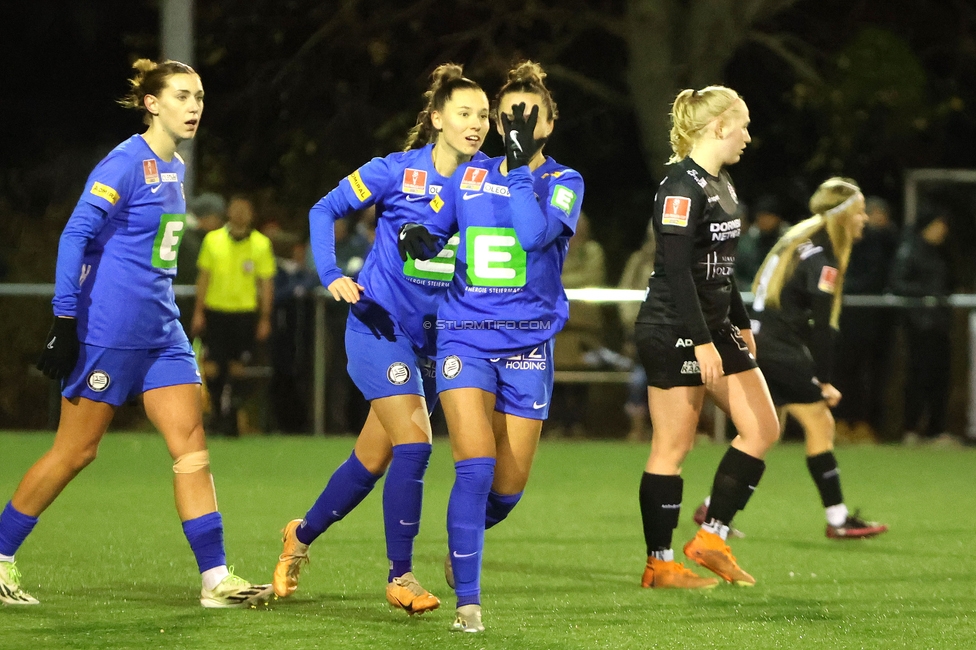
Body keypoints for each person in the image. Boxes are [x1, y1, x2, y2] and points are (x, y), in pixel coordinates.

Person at [0, 59, 271, 607]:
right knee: (76, 451)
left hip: (162, 331)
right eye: (181, 96)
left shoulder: (174, 170)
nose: (194, 106)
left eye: (199, 96)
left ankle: (215, 579)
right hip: (111, 330)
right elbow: (76, 233)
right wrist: (64, 318)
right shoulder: (125, 162)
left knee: (191, 446)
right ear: (152, 103)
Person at [273, 64, 490, 616]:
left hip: (441, 343)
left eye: (484, 115)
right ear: (437, 118)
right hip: (379, 328)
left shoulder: (489, 179)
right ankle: (401, 577)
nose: (476, 124)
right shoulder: (394, 171)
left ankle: (299, 535)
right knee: (415, 446)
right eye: (464, 113)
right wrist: (330, 273)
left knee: (370, 462)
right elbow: (323, 209)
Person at [399, 60, 584, 633]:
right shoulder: (468, 175)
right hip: (465, 335)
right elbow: (433, 230)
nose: (516, 126)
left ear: (548, 125)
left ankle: (463, 546)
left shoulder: (563, 182)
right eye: (509, 118)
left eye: (530, 118)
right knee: (475, 466)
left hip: (528, 345)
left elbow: (532, 236)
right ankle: (469, 605)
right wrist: (422, 237)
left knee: (508, 487)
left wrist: (522, 168)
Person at [633, 85, 779, 590]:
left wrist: (738, 322)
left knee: (762, 428)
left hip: (714, 329)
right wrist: (701, 339)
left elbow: (722, 269)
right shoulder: (680, 185)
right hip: (675, 327)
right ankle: (659, 562)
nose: (747, 135)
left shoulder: (723, 184)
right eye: (742, 124)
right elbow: (675, 269)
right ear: (718, 126)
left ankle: (711, 538)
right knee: (673, 446)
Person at [750, 177, 888, 538]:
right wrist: (824, 379)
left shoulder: (797, 240)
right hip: (779, 348)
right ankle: (838, 519)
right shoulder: (825, 259)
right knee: (820, 424)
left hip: (761, 340)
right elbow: (824, 327)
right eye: (859, 213)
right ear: (842, 217)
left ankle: (713, 510)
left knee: (764, 433)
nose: (865, 220)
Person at [191, 194, 276, 436]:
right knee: (212, 367)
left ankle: (233, 416)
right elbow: (203, 278)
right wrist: (198, 312)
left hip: (244, 314)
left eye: (244, 210)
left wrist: (264, 317)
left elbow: (266, 284)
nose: (239, 214)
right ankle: (216, 413)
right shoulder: (213, 240)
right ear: (228, 212)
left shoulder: (260, 244)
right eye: (235, 209)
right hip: (216, 311)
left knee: (238, 367)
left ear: (251, 215)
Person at [832, 196, 899, 438]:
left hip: (872, 322)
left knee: (870, 374)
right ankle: (840, 421)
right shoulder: (837, 242)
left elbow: (878, 276)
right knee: (841, 371)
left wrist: (845, 288)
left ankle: (864, 423)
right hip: (843, 320)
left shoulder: (882, 243)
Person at [889, 206, 954, 445]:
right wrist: (928, 295)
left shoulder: (940, 252)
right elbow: (898, 283)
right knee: (919, 376)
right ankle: (911, 429)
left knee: (940, 377)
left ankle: (936, 430)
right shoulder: (910, 250)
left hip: (939, 324)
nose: (942, 232)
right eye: (938, 226)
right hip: (919, 324)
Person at [618, 221, 655, 441]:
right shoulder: (638, 261)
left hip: (673, 332)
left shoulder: (682, 257)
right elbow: (626, 295)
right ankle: (637, 429)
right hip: (640, 332)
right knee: (637, 382)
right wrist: (633, 324)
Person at [734, 194, 788, 288]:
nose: (764, 221)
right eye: (761, 217)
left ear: (778, 218)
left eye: (768, 217)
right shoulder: (746, 243)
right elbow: (738, 274)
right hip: (748, 293)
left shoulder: (788, 241)